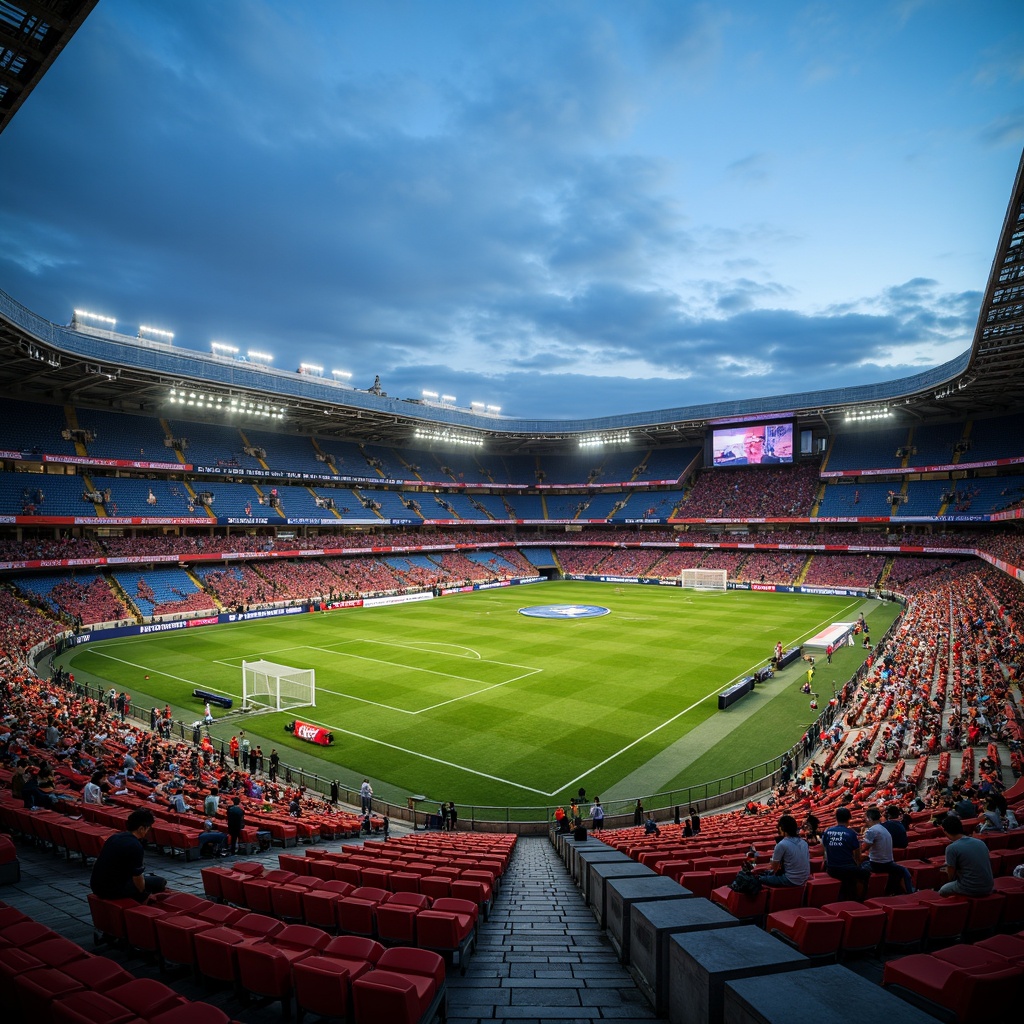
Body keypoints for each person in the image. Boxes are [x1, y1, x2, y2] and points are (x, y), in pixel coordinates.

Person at [90, 808, 166, 902]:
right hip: (112, 890)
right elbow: (137, 877)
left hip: (96, 886)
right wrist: (143, 895)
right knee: (160, 882)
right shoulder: (135, 845)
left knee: (147, 878)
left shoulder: (114, 837)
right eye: (148, 829)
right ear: (142, 828)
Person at [861, 806, 914, 895]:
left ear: (869, 818)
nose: (865, 821)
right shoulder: (883, 828)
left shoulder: (873, 830)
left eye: (865, 818)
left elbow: (863, 848)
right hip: (888, 862)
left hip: (878, 864)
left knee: (860, 865)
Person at [821, 806, 870, 900]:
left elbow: (825, 852)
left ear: (836, 818)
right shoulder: (851, 833)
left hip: (831, 869)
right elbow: (857, 856)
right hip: (848, 869)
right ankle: (861, 900)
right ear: (849, 819)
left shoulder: (827, 832)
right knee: (866, 874)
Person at [939, 815, 994, 896]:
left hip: (970, 888)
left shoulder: (951, 848)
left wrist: (948, 870)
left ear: (945, 831)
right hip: (989, 886)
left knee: (942, 890)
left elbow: (951, 877)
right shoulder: (980, 842)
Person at [758, 814, 810, 887]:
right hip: (804, 878)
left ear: (782, 829)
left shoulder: (782, 844)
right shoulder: (804, 842)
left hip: (791, 880)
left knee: (759, 879)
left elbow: (774, 868)